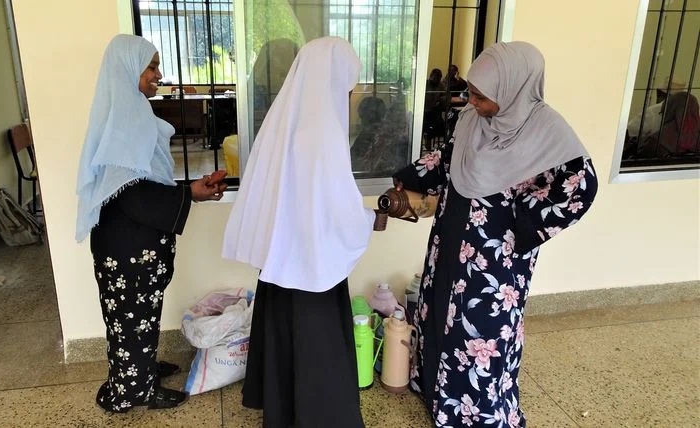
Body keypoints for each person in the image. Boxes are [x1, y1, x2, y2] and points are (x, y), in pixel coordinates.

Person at [393, 42, 598, 427]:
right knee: (439, 309)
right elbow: (447, 159)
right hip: (450, 237)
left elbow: (580, 188)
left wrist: (520, 218)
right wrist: (408, 180)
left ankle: (473, 410)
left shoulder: (547, 130)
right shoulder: (471, 120)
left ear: (513, 89)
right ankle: (438, 393)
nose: (471, 101)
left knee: (481, 328)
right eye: (471, 92)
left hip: (496, 257)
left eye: (480, 96)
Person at [222, 37, 373, 428]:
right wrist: (367, 219)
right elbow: (337, 206)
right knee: (316, 348)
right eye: (349, 84)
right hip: (313, 268)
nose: (350, 92)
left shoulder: (285, 117)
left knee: (287, 344)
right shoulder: (324, 129)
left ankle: (285, 413)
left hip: (281, 262)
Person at [75, 34, 227, 413]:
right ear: (128, 67)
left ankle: (139, 370)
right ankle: (134, 391)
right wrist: (189, 194)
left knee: (135, 316)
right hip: (127, 244)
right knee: (131, 317)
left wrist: (190, 189)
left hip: (130, 240)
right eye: (152, 66)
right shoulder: (127, 119)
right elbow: (133, 194)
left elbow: (144, 181)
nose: (158, 74)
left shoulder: (129, 113)